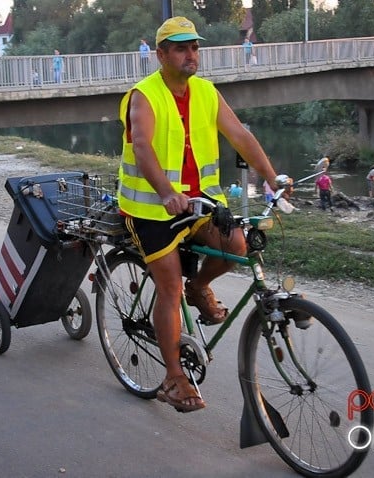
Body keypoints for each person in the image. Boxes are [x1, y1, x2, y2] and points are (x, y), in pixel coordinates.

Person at [118, 16, 284, 413]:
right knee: (169, 287)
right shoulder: (145, 95)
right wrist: (166, 193)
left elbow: (240, 136)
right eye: (180, 47)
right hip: (150, 210)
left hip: (200, 204)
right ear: (161, 54)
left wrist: (273, 178)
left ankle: (201, 287)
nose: (191, 54)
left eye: (194, 46)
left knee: (237, 244)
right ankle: (174, 377)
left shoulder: (207, 92)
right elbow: (142, 147)